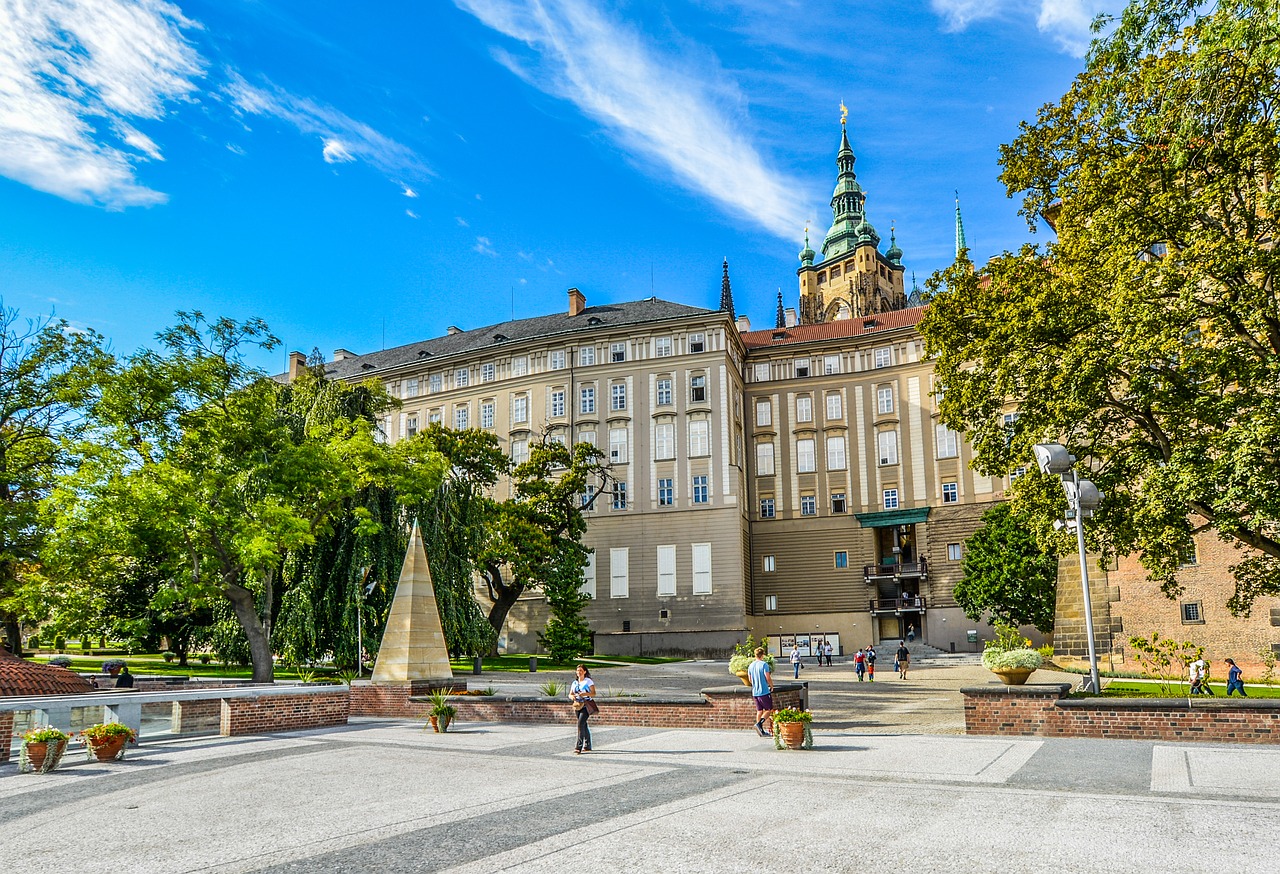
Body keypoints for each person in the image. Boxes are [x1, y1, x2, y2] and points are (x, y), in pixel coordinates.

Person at [569, 664, 596, 753]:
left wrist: (584, 694)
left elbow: (593, 693)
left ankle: (578, 746)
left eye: (581, 671)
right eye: (577, 671)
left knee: (580, 724)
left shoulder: (588, 681)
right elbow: (570, 694)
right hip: (577, 705)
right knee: (583, 725)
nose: (579, 672)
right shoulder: (575, 683)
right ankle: (588, 745)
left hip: (586, 705)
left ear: (584, 672)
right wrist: (572, 697)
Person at [748, 647, 774, 737]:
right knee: (768, 710)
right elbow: (767, 677)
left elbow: (750, 679)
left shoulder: (751, 665)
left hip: (755, 691)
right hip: (764, 691)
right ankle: (759, 724)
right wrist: (771, 685)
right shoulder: (764, 665)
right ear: (762, 655)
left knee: (759, 710)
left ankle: (760, 730)